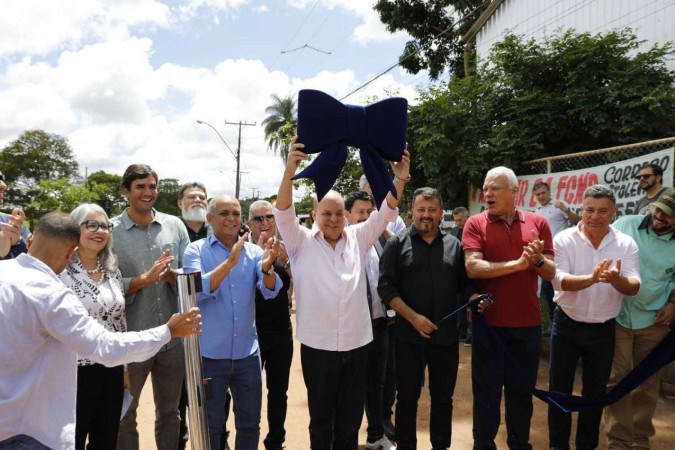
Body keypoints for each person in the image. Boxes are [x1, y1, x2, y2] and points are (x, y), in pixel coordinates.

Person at [0, 212, 201, 450]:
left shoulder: (5, 272)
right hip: (31, 430)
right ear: (69, 253)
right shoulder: (52, 294)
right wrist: (168, 331)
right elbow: (103, 346)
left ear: (31, 240)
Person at [274, 137, 410, 449]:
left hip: (357, 345)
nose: (334, 219)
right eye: (327, 213)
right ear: (314, 213)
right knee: (321, 421)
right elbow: (283, 211)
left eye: (338, 213)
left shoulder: (359, 237)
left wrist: (400, 177)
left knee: (350, 421)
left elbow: (387, 210)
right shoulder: (300, 242)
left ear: (346, 215)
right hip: (318, 348)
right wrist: (290, 171)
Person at [462, 166, 555, 450]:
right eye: (485, 188)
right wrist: (517, 264)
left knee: (521, 392)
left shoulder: (538, 223)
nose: (487, 193)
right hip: (489, 325)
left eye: (495, 188)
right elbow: (472, 267)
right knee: (487, 391)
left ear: (515, 192)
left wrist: (536, 260)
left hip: (527, 325)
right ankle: (483, 444)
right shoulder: (476, 223)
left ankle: (519, 443)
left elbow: (550, 273)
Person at [379, 187, 477, 450]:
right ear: (412, 211)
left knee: (443, 398)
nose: (426, 215)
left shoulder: (454, 245)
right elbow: (386, 289)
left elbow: (464, 285)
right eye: (421, 209)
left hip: (445, 339)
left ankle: (440, 446)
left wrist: (474, 298)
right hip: (408, 338)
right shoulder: (396, 244)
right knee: (408, 397)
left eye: (432, 210)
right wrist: (413, 318)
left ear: (440, 213)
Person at [183, 195, 281, 450]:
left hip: (247, 355)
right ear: (210, 218)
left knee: (250, 424)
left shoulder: (254, 251)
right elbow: (196, 289)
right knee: (212, 425)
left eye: (236, 213)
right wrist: (230, 263)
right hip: (210, 357)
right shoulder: (195, 250)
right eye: (224, 213)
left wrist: (269, 269)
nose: (231, 219)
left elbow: (270, 291)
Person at [548, 184, 641, 450]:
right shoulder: (563, 239)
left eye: (602, 211)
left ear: (613, 212)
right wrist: (593, 278)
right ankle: (558, 446)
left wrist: (617, 280)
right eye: (589, 210)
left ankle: (587, 446)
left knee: (595, 394)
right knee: (559, 391)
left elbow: (634, 286)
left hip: (603, 330)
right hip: (565, 325)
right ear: (581, 210)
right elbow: (560, 281)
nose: (595, 216)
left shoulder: (626, 243)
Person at [112, 164, 191, 450]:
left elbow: (188, 275)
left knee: (170, 412)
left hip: (172, 339)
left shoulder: (175, 225)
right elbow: (105, 286)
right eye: (140, 187)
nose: (148, 193)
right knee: (124, 414)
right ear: (126, 191)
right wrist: (144, 279)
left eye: (152, 186)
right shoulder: (110, 231)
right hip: (131, 340)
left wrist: (171, 276)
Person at [605, 187, 675, 449]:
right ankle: (618, 440)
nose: (659, 216)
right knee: (617, 378)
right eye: (659, 209)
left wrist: (673, 304)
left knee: (647, 381)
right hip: (618, 315)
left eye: (668, 215)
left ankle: (640, 438)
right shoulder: (625, 224)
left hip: (654, 320)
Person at [58, 204, 127, 450]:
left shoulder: (112, 271)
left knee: (106, 439)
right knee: (71, 440)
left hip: (111, 367)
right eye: (91, 225)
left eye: (105, 226)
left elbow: (119, 322)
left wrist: (125, 365)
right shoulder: (59, 271)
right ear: (75, 229)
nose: (99, 231)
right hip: (72, 370)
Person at [344, 190, 396, 450]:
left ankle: (376, 434)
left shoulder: (379, 241)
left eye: (368, 212)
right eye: (359, 213)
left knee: (379, 382)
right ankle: (347, 438)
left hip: (380, 324)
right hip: (353, 327)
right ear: (347, 215)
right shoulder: (340, 244)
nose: (364, 217)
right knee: (353, 385)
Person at [247, 200, 294, 450]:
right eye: (258, 219)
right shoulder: (241, 250)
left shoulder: (288, 248)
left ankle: (276, 441)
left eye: (269, 217)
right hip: (250, 332)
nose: (264, 223)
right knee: (248, 393)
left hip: (280, 330)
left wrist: (285, 262)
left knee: (278, 392)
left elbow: (302, 282)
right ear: (249, 224)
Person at [176, 181, 210, 449]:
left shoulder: (220, 232)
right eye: (191, 197)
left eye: (202, 197)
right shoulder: (172, 233)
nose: (197, 200)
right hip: (178, 330)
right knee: (178, 399)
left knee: (214, 396)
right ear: (180, 203)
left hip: (213, 332)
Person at [532, 181, 581, 334]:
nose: (541, 196)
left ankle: (566, 325)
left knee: (560, 288)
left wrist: (565, 210)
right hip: (545, 255)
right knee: (547, 291)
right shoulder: (536, 210)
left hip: (561, 253)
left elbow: (577, 221)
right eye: (538, 195)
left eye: (543, 193)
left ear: (549, 192)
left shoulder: (559, 205)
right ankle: (553, 323)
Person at [450, 206, 472, 345]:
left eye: (460, 220)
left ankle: (472, 334)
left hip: (472, 274)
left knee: (472, 305)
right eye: (456, 220)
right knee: (459, 305)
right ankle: (461, 332)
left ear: (467, 218)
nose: (458, 223)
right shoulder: (453, 231)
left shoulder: (474, 231)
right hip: (457, 274)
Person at [0, 169, 30, 260]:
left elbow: (34, 261)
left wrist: (17, 243)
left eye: (2, 178)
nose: (3, 185)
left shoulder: (13, 223)